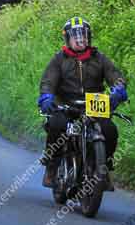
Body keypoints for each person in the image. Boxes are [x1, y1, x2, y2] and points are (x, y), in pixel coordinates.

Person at [37, 16, 128, 188]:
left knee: (110, 130)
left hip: (93, 104)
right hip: (65, 102)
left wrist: (118, 89)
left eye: (84, 35)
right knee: (57, 125)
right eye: (75, 36)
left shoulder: (99, 57)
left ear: (89, 37)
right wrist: (47, 97)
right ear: (68, 39)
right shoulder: (59, 59)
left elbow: (115, 76)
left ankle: (103, 169)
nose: (80, 39)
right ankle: (52, 166)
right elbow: (48, 81)